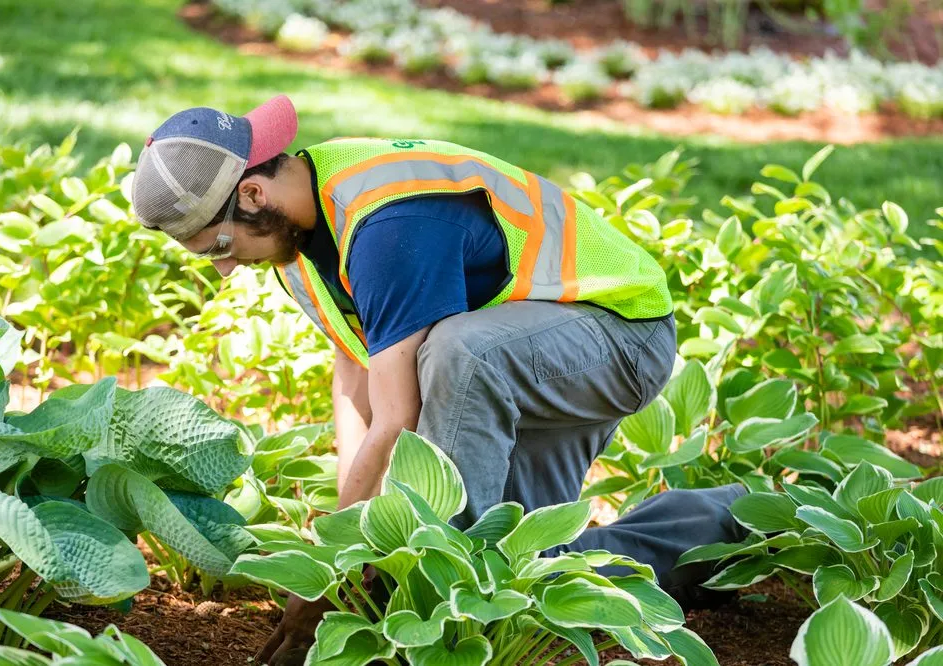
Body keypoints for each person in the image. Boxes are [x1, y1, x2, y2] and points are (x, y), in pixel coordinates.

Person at [131, 95, 748, 665]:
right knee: (524, 572)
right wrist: (353, 537)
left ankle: (439, 597)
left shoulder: (389, 226)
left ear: (255, 194)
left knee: (460, 374)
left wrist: (335, 570)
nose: (226, 268)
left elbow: (398, 414)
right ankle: (730, 522)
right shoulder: (298, 240)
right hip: (524, 363)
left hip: (615, 338)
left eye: (218, 247)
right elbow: (358, 371)